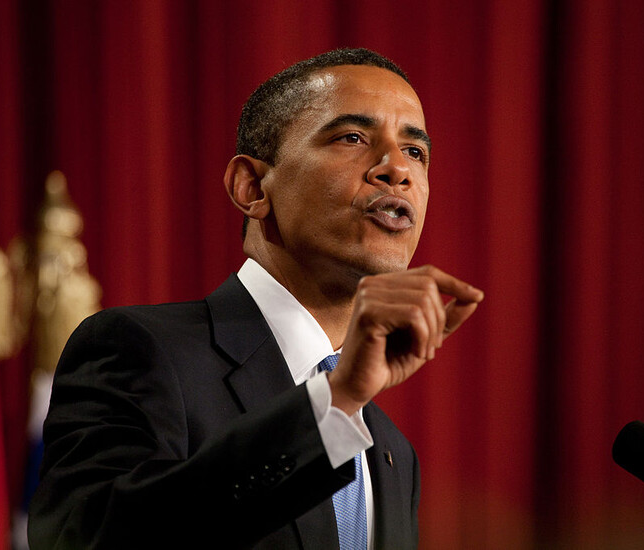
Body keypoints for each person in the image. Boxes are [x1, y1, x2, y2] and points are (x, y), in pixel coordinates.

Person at [28, 48, 484, 550]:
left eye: (415, 152)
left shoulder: (394, 453)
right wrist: (334, 405)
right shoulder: (138, 350)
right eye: (352, 137)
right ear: (251, 187)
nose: (396, 169)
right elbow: (86, 537)